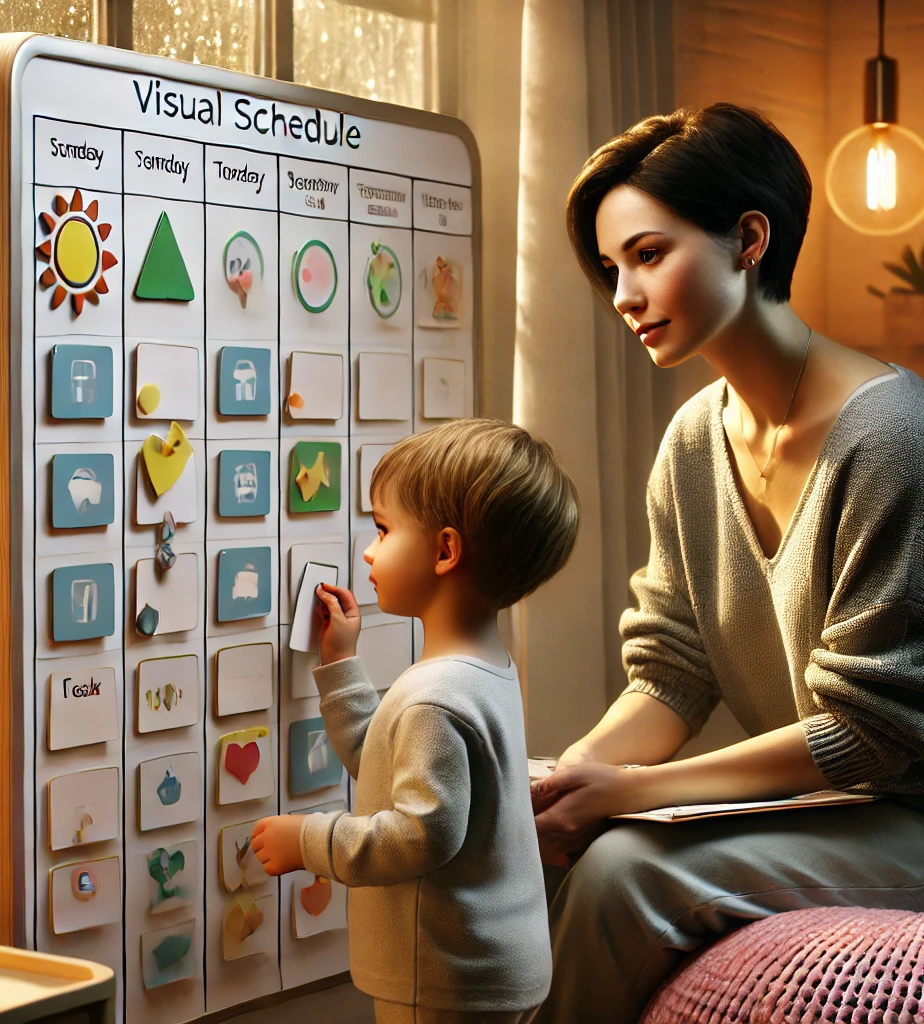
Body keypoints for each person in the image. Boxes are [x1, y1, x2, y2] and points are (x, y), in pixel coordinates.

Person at [530, 102, 924, 1024]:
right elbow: (672, 668)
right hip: (831, 811)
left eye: (648, 254)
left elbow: (872, 733)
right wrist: (571, 780)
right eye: (610, 266)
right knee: (562, 840)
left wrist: (631, 796)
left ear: (750, 238)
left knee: (623, 866)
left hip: (906, 812)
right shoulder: (692, 441)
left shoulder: (893, 437)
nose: (622, 295)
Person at [251, 419, 580, 1024]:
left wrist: (309, 842)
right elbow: (386, 761)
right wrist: (343, 667)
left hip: (446, 979)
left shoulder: (436, 696)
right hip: (489, 965)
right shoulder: (485, 669)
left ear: (445, 550)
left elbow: (420, 835)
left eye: (383, 529)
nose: (370, 550)